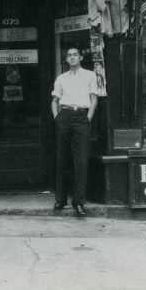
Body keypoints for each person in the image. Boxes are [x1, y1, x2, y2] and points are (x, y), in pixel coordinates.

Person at [51, 47, 98, 217]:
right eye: (69, 55)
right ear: (66, 59)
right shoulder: (61, 78)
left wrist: (87, 119)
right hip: (65, 116)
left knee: (81, 160)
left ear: (81, 57)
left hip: (81, 118)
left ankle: (78, 201)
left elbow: (94, 100)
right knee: (62, 158)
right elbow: (54, 101)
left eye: (75, 55)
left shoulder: (90, 75)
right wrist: (57, 118)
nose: (72, 57)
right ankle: (60, 199)